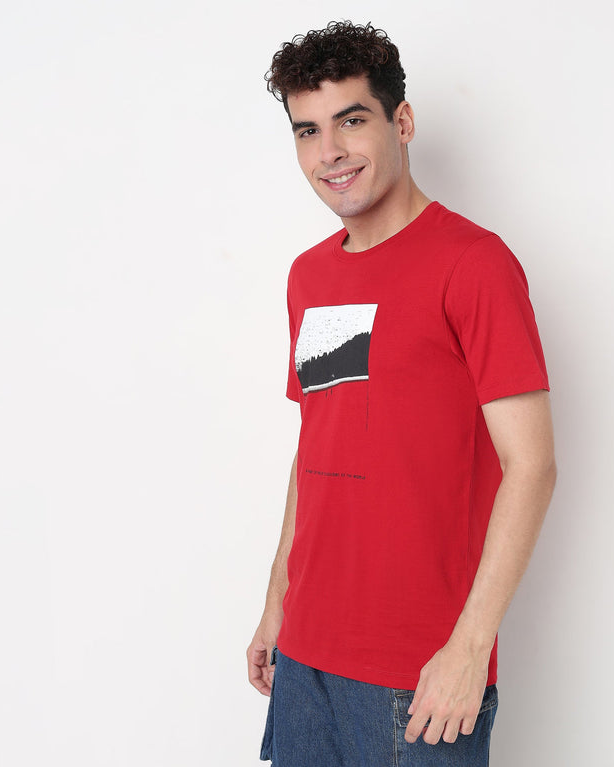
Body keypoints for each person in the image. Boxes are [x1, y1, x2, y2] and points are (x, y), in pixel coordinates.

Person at [246, 20, 557, 766]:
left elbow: (532, 465)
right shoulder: (309, 277)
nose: (329, 151)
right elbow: (319, 441)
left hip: (417, 671)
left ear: (402, 122)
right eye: (307, 131)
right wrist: (276, 600)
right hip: (305, 656)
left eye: (351, 120)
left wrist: (469, 647)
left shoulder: (473, 264)